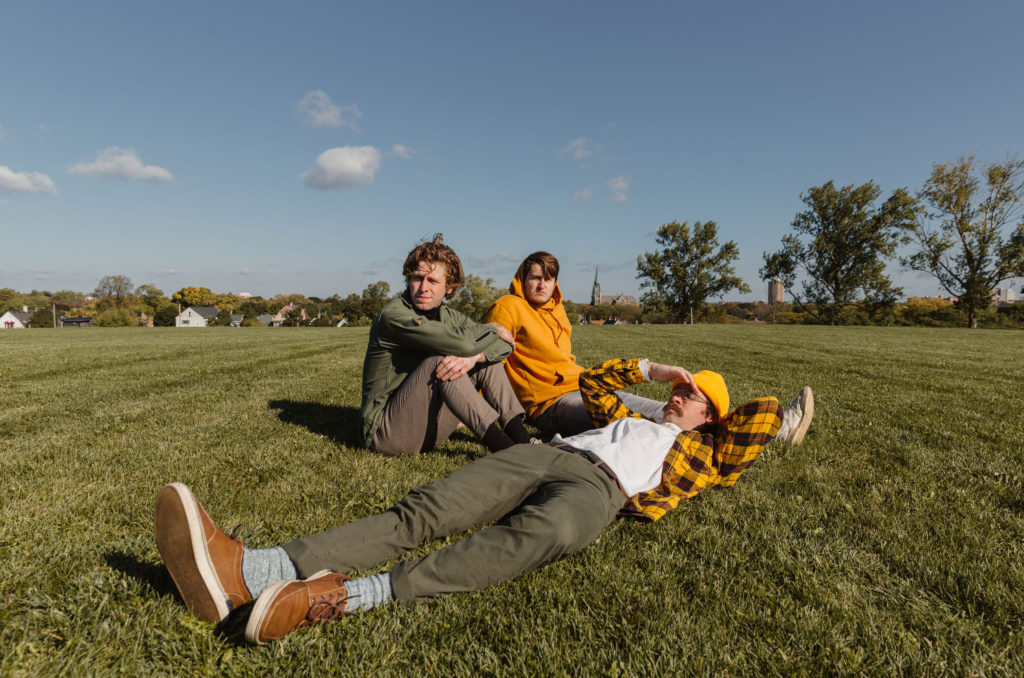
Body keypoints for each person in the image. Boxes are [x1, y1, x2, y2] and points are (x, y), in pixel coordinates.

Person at [153, 356, 815, 644]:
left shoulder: (704, 454)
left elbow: (752, 417)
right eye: (684, 389)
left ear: (711, 416)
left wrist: (770, 419)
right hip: (550, 455)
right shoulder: (634, 414)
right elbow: (594, 382)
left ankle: (340, 599)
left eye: (694, 396)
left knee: (516, 543)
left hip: (600, 496)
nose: (682, 396)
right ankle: (253, 570)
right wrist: (656, 372)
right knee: (426, 511)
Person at [360, 234, 534, 455]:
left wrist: (475, 357)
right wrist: (494, 329)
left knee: (483, 358)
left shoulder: (450, 316)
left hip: (427, 430)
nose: (423, 288)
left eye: (433, 281)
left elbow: (504, 347)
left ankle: (524, 442)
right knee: (441, 361)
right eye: (416, 278)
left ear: (449, 288)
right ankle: (505, 449)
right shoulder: (393, 315)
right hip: (385, 434)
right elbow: (464, 341)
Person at [485, 251, 664, 436]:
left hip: (585, 386)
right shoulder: (507, 307)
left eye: (547, 279)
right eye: (535, 278)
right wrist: (481, 409)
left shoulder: (558, 309)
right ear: (523, 279)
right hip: (549, 403)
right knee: (628, 421)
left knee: (663, 411)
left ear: (555, 282)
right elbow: (489, 364)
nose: (541, 285)